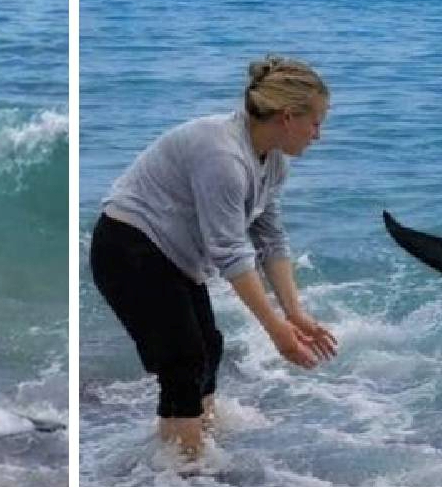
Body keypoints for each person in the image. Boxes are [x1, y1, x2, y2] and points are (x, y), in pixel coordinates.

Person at [90, 55, 339, 458]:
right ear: (288, 117)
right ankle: (184, 472)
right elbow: (230, 253)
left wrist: (294, 313)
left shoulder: (271, 161)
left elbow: (270, 239)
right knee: (183, 360)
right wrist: (276, 332)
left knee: (209, 347)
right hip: (128, 248)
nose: (318, 135)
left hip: (170, 255)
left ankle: (194, 446)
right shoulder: (223, 155)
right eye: (316, 123)